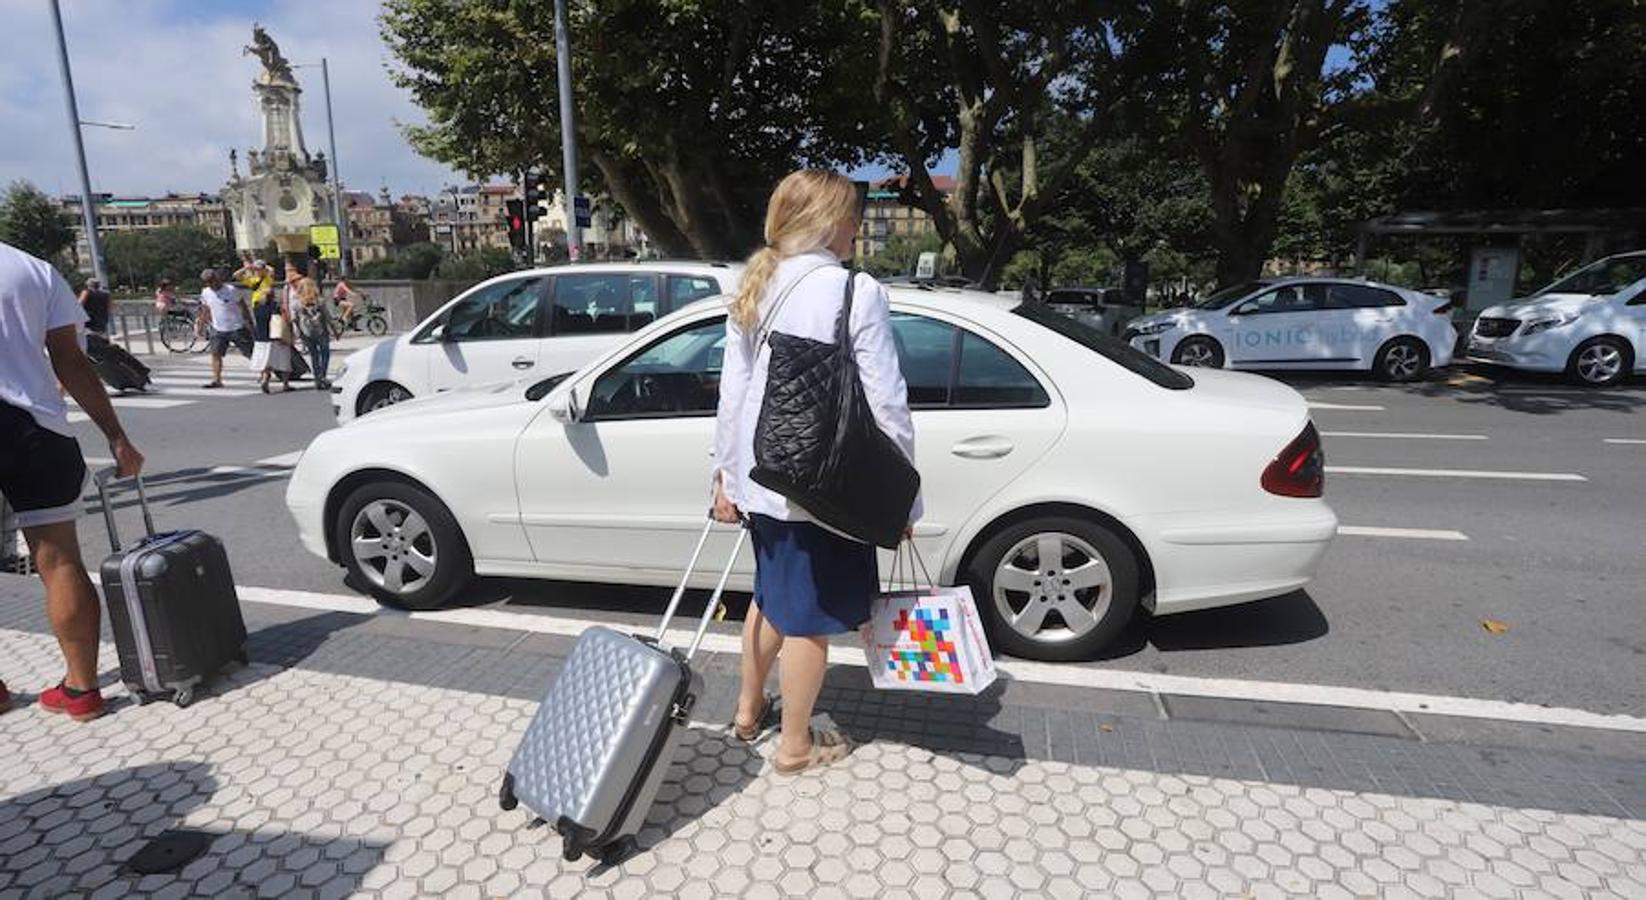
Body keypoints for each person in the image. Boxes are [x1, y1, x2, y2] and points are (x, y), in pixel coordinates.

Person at [712, 170, 920, 775]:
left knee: (772, 598)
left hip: (763, 476)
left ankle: (748, 711)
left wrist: (726, 475)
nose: (858, 227)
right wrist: (901, 497)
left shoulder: (756, 282)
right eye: (852, 215)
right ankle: (796, 746)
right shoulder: (854, 291)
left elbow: (733, 393)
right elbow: (886, 401)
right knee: (807, 617)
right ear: (828, 223)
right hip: (823, 485)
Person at [0, 241, 144, 721]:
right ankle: (82, 690)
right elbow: (72, 361)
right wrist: (117, 437)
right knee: (60, 560)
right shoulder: (33, 270)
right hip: (37, 428)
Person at [196, 268, 254, 389]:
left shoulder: (231, 290)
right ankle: (217, 380)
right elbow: (205, 310)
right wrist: (200, 326)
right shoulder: (206, 292)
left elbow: (243, 306)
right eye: (207, 282)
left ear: (217, 278)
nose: (210, 284)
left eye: (212, 281)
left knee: (250, 352)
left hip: (236, 327)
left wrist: (249, 322)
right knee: (215, 354)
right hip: (218, 328)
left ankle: (267, 372)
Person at [248, 263, 296, 393]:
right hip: (277, 336)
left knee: (266, 361)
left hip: (262, 338)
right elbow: (285, 319)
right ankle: (285, 384)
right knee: (283, 359)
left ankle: (265, 378)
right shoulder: (276, 307)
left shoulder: (256, 307)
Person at [292, 266, 332, 389]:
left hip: (306, 332)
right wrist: (334, 331)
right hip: (321, 331)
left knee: (314, 355)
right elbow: (327, 317)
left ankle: (317, 379)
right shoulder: (319, 301)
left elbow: (294, 319)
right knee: (325, 353)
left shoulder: (297, 302)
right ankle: (322, 375)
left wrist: (298, 332)